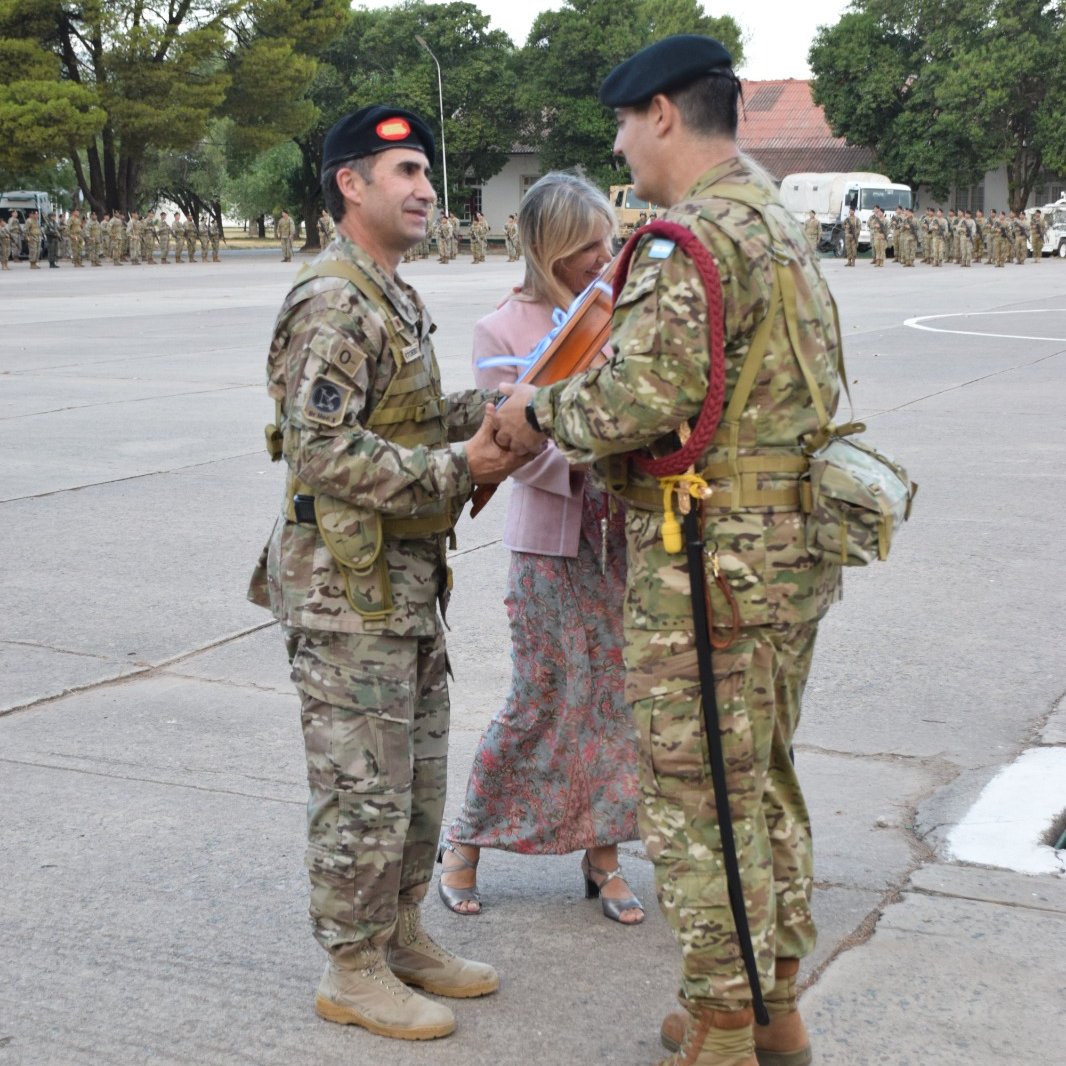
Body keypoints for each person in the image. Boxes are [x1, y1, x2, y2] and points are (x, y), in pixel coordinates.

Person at [493, 34, 844, 1066]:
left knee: (697, 797)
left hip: (710, 568)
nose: (618, 144)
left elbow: (632, 399)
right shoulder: (777, 222)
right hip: (787, 553)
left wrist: (535, 402)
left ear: (659, 115)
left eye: (620, 122)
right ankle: (774, 1003)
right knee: (764, 778)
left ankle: (723, 1024)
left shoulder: (687, 239)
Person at [246, 104, 529, 1042]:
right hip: (344, 593)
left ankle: (402, 935)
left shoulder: (390, 292)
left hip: (400, 585)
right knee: (363, 792)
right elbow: (322, 451)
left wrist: (482, 407)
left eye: (425, 172)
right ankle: (352, 967)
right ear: (350, 184)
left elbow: (394, 416)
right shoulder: (333, 297)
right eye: (402, 171)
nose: (425, 188)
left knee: (415, 780)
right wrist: (464, 468)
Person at [439, 172, 643, 926]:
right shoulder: (503, 330)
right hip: (550, 545)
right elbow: (510, 446)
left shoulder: (619, 315)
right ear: (547, 245)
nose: (603, 256)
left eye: (607, 241)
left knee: (616, 703)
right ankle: (465, 841)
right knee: (540, 700)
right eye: (587, 245)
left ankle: (605, 858)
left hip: (621, 539)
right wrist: (594, 446)